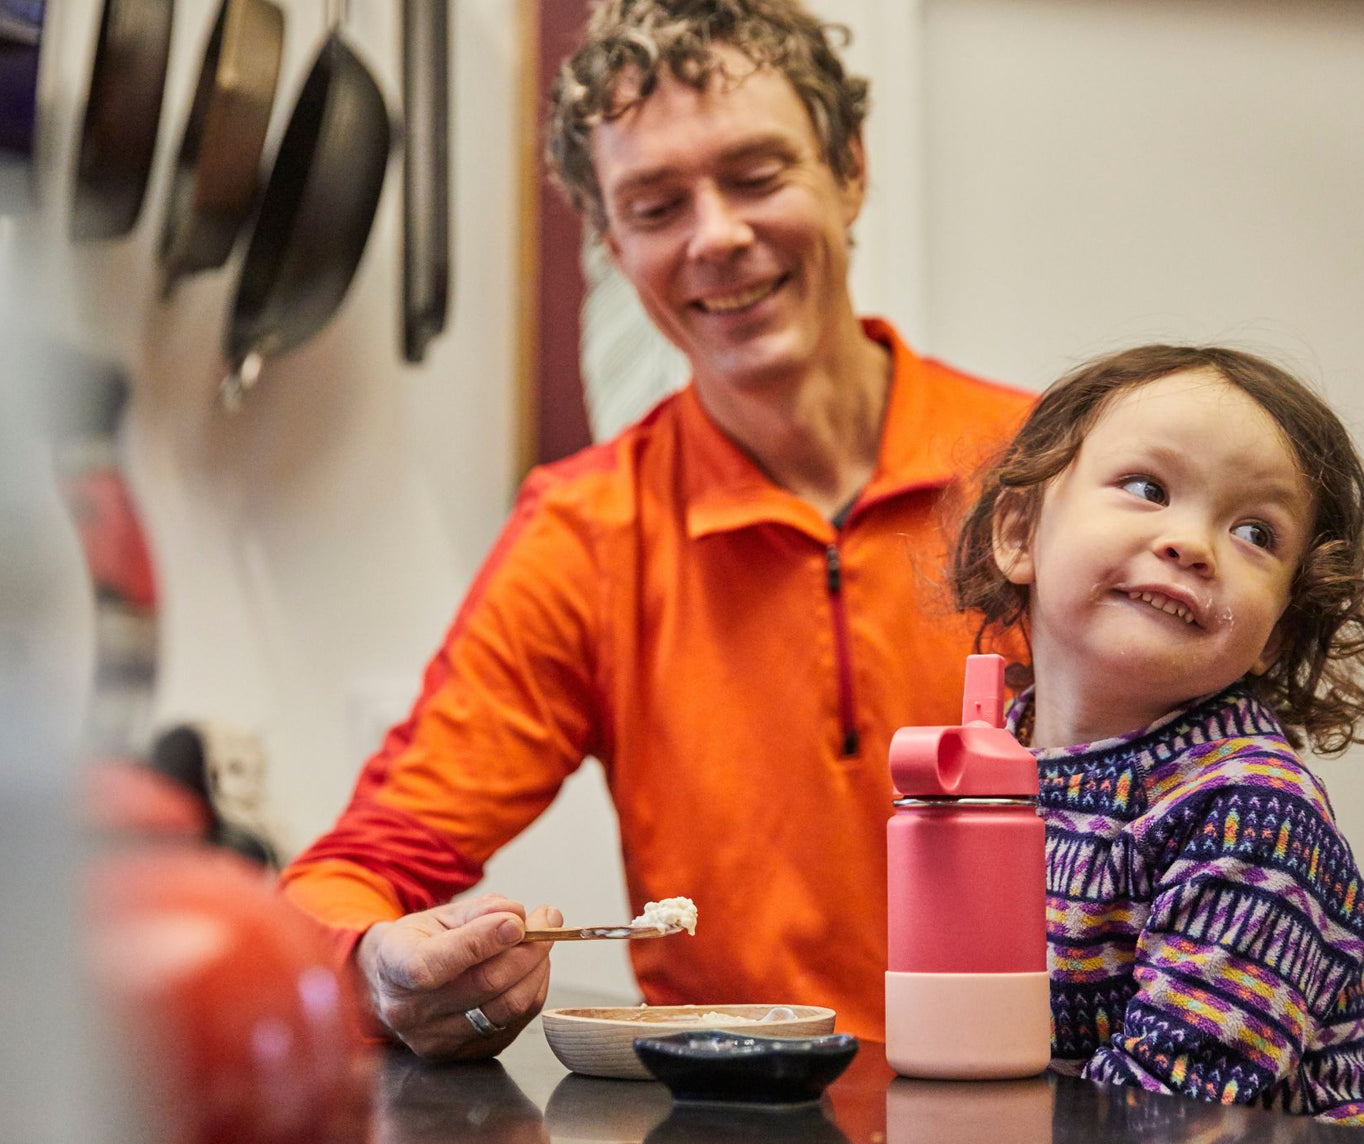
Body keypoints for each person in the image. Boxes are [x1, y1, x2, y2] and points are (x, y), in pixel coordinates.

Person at [277, 0, 1031, 1061]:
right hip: (740, 1128)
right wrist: (372, 968)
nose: (716, 236)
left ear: (849, 168)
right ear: (612, 244)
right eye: (656, 202)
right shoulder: (587, 534)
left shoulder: (1042, 476)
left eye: (758, 175)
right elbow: (345, 879)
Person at [948, 346, 1364, 1127]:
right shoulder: (995, 760)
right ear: (1020, 533)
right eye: (1147, 489)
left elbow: (1165, 1108)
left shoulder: (1254, 813)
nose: (1191, 543)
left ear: (1277, 630)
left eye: (1255, 533)